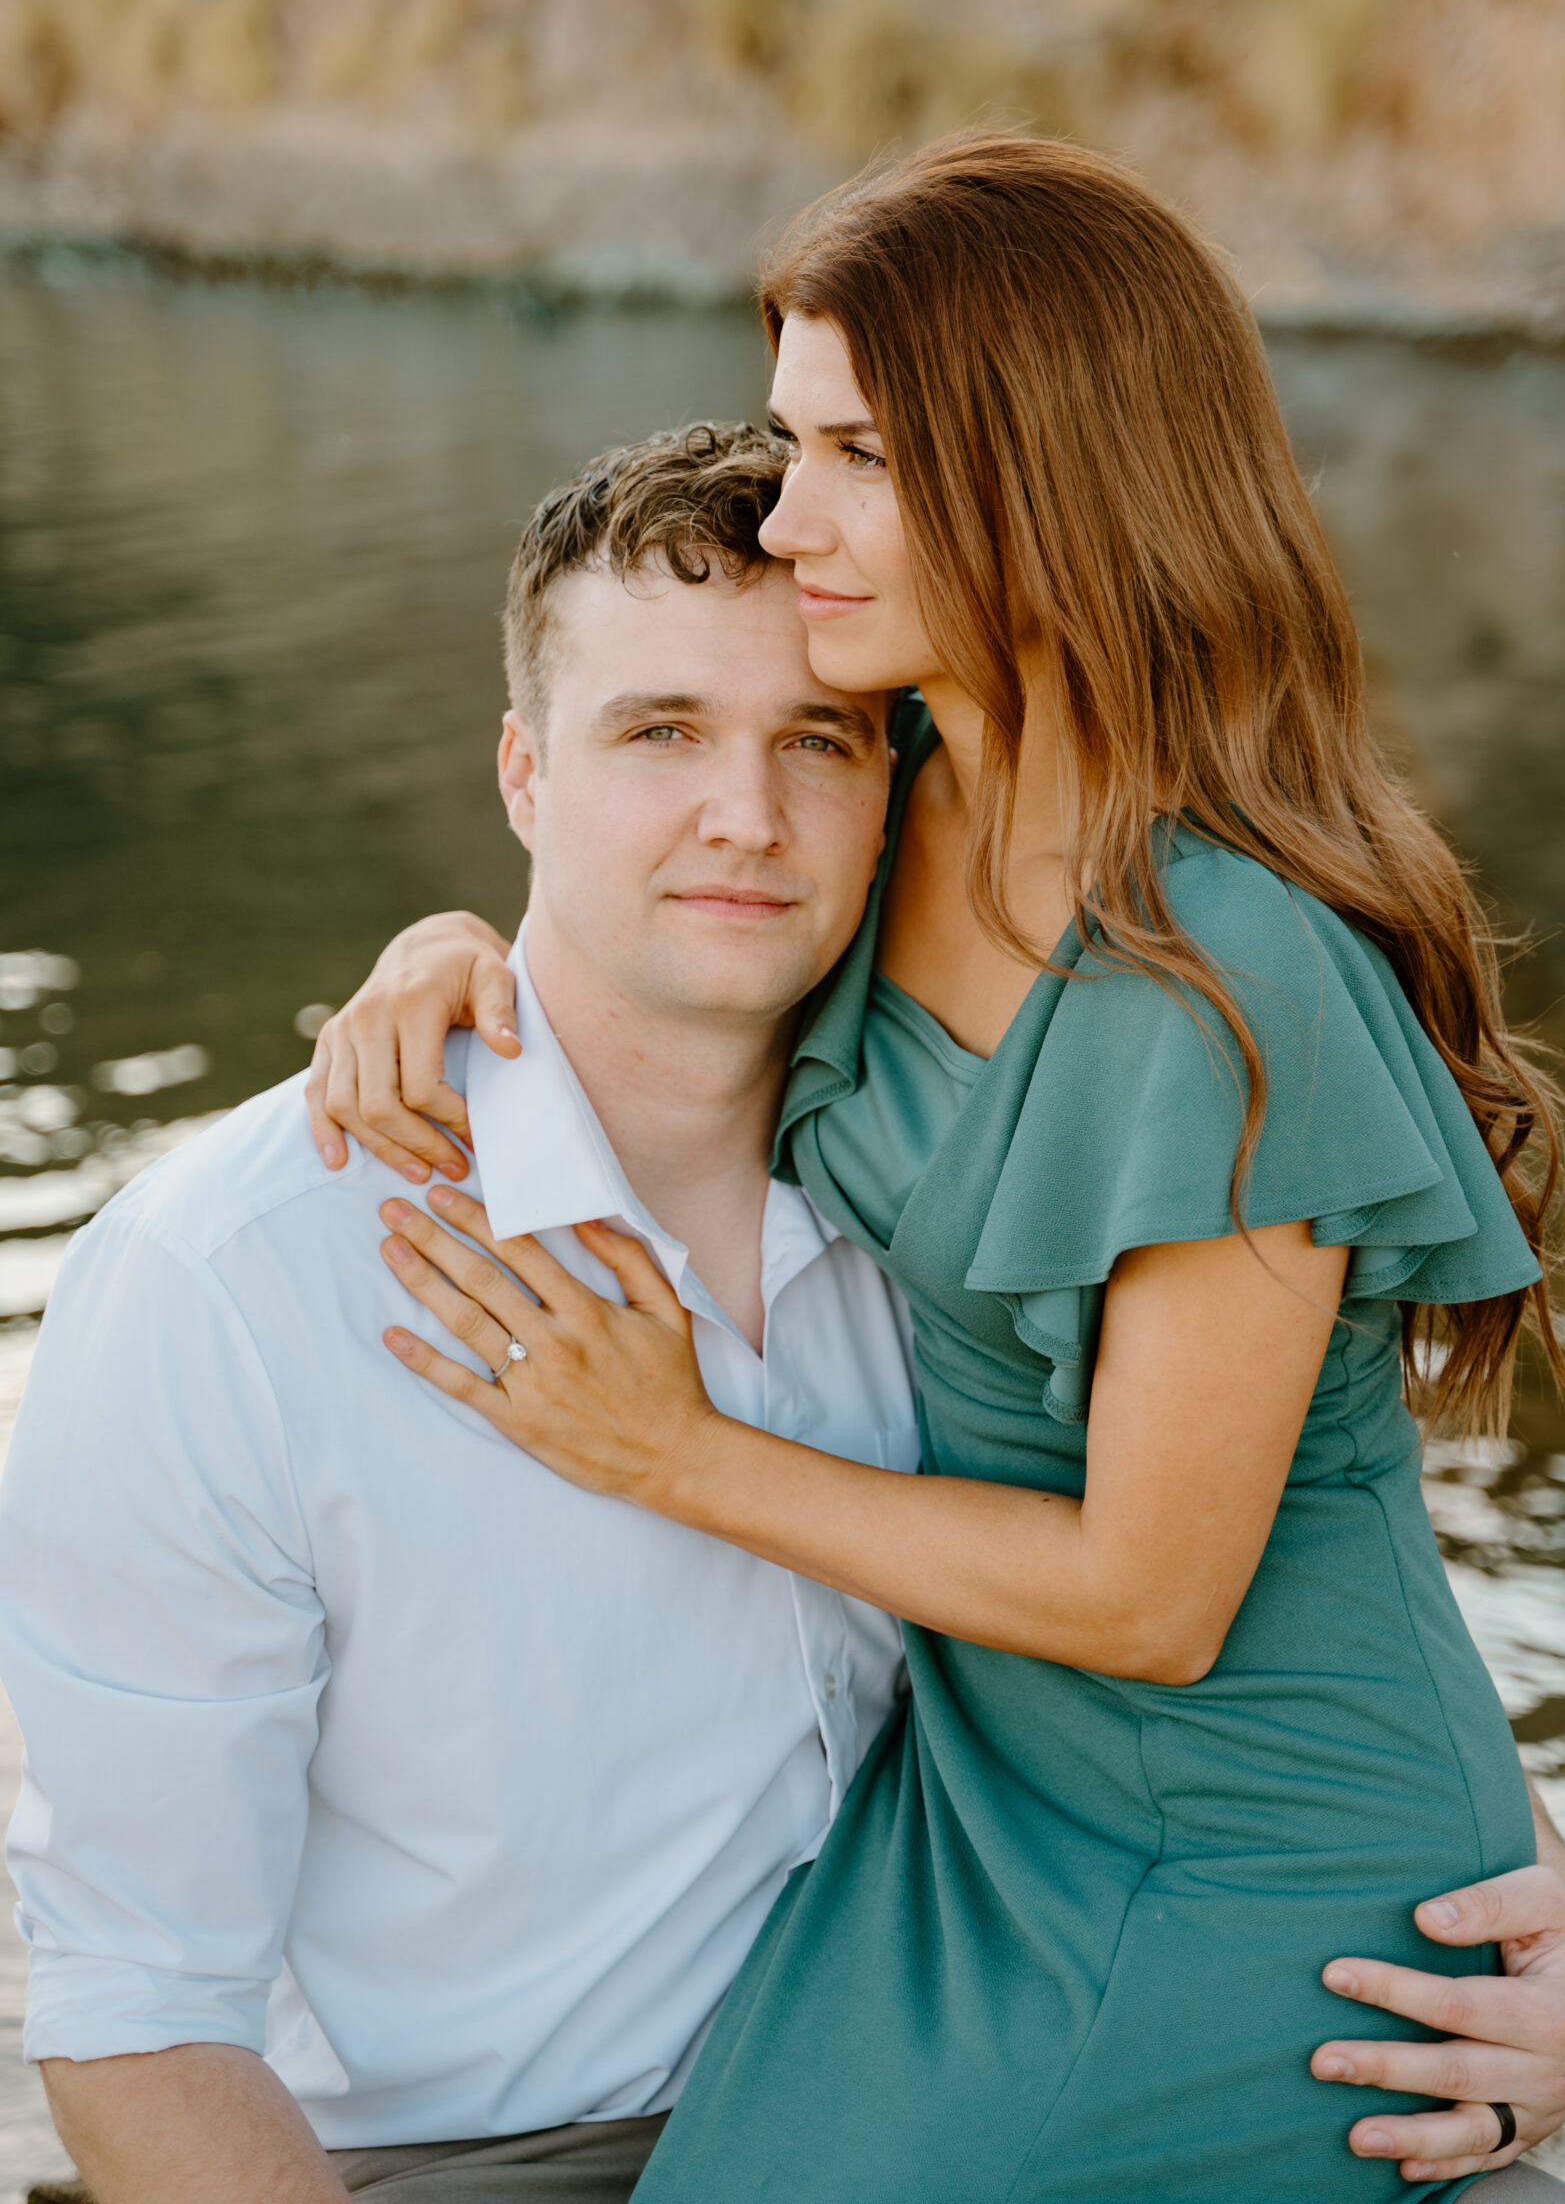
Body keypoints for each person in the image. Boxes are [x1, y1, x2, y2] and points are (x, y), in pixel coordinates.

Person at [314, 138, 1565, 2203]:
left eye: (853, 451)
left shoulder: (1218, 977)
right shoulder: (894, 785)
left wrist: (667, 1448)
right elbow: (667, 892)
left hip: (1237, 1843)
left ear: (1042, 478)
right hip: (977, 1791)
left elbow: (1151, 1589)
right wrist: (443, 951)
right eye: (786, 439)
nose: (787, 515)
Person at [0, 426, 923, 2204]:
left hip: (953, 2111)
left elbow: (1254, 1580)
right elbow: (142, 2015)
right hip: (479, 2167)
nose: (748, 813)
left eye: (820, 740)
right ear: (522, 771)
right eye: (659, 733)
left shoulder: (955, 1204)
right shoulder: (232, 1285)